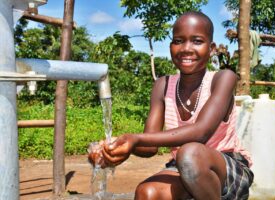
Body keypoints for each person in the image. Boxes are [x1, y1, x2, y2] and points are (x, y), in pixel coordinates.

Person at [89, 11, 253, 200]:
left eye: (197, 41)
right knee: (147, 193)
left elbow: (201, 132)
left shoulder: (223, 78)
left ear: (211, 48)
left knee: (189, 154)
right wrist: (118, 148)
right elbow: (149, 147)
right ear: (170, 46)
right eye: (178, 41)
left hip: (228, 168)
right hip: (181, 166)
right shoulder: (163, 85)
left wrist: (136, 138)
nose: (186, 48)